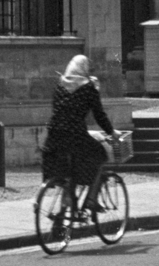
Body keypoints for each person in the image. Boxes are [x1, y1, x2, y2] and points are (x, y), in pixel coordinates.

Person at [41, 55, 116, 208]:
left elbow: (59, 110)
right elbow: (99, 115)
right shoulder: (89, 87)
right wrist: (111, 132)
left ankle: (67, 196)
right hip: (75, 135)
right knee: (100, 154)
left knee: (71, 163)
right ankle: (91, 199)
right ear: (85, 69)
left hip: (54, 135)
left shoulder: (60, 84)